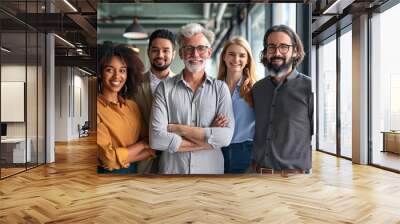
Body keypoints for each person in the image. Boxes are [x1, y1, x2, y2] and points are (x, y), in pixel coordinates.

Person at [149, 23, 235, 174]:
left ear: (209, 53)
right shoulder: (164, 88)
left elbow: (225, 138)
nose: (195, 54)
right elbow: (156, 139)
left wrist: (177, 128)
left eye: (201, 48)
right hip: (173, 175)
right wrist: (208, 138)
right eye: (189, 48)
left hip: (211, 175)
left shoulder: (220, 89)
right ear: (181, 54)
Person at [251, 24, 313, 175]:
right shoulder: (258, 89)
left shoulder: (309, 87)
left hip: (294, 180)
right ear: (265, 53)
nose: (276, 53)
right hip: (257, 176)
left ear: (295, 51)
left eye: (284, 47)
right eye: (271, 47)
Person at [97, 45, 155, 174]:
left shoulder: (132, 106)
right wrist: (142, 145)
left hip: (134, 173)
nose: (117, 76)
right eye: (109, 70)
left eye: (122, 70)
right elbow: (108, 159)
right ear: (100, 73)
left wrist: (119, 160)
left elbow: (152, 148)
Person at [131, 29, 177, 174]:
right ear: (148, 52)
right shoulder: (134, 84)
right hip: (143, 156)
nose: (160, 55)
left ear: (173, 54)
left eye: (166, 50)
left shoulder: (183, 84)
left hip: (175, 156)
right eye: (155, 50)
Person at [217, 37, 258, 173]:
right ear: (224, 57)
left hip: (246, 152)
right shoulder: (213, 87)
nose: (236, 59)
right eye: (231, 54)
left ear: (247, 60)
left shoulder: (255, 88)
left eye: (242, 55)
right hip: (217, 151)